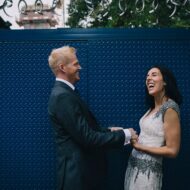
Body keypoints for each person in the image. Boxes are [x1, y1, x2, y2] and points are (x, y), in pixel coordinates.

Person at [48, 46, 137, 190]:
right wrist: (125, 135)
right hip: (77, 179)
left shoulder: (66, 93)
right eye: (76, 64)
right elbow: (87, 138)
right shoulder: (63, 96)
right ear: (63, 67)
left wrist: (109, 131)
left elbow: (81, 129)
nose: (80, 67)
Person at [124, 65, 182, 190]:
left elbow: (173, 150)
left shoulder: (170, 107)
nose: (148, 79)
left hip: (148, 175)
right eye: (147, 76)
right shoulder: (152, 108)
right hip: (133, 167)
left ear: (165, 81)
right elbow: (150, 137)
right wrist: (127, 134)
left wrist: (140, 147)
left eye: (154, 75)